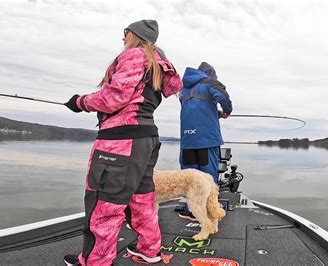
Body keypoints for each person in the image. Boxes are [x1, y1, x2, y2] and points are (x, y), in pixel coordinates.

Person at [63, 19, 183, 266]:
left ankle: (95, 261)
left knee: (105, 205)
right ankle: (149, 249)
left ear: (134, 35)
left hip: (120, 141)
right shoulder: (157, 64)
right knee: (142, 200)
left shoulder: (134, 56)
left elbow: (114, 97)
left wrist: (80, 102)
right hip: (146, 140)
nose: (123, 38)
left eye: (125, 33)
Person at [178, 62, 232, 220]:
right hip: (207, 140)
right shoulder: (210, 83)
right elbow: (222, 96)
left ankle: (192, 212)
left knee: (189, 178)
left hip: (187, 141)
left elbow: (198, 108)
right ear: (210, 75)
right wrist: (227, 111)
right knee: (208, 177)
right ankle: (209, 211)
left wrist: (217, 113)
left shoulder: (184, 89)